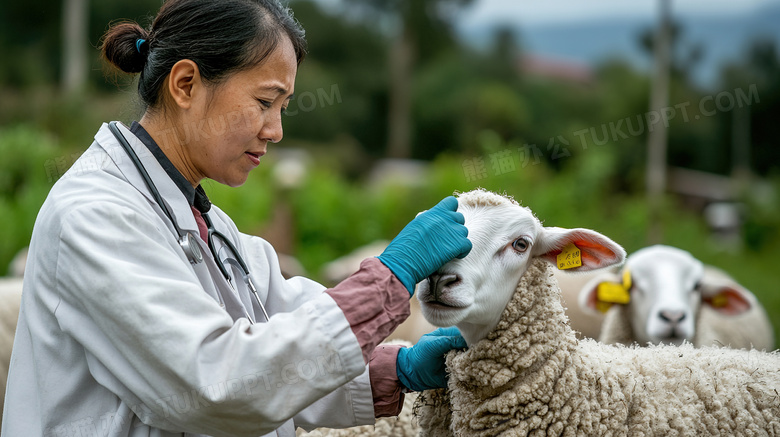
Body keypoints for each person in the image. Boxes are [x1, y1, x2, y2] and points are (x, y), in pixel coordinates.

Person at [1, 1, 473, 436]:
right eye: (264, 102)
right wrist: (390, 277)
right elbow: (218, 383)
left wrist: (397, 370)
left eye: (282, 108)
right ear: (185, 85)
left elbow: (280, 358)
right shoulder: (95, 215)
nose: (277, 130)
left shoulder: (211, 228)